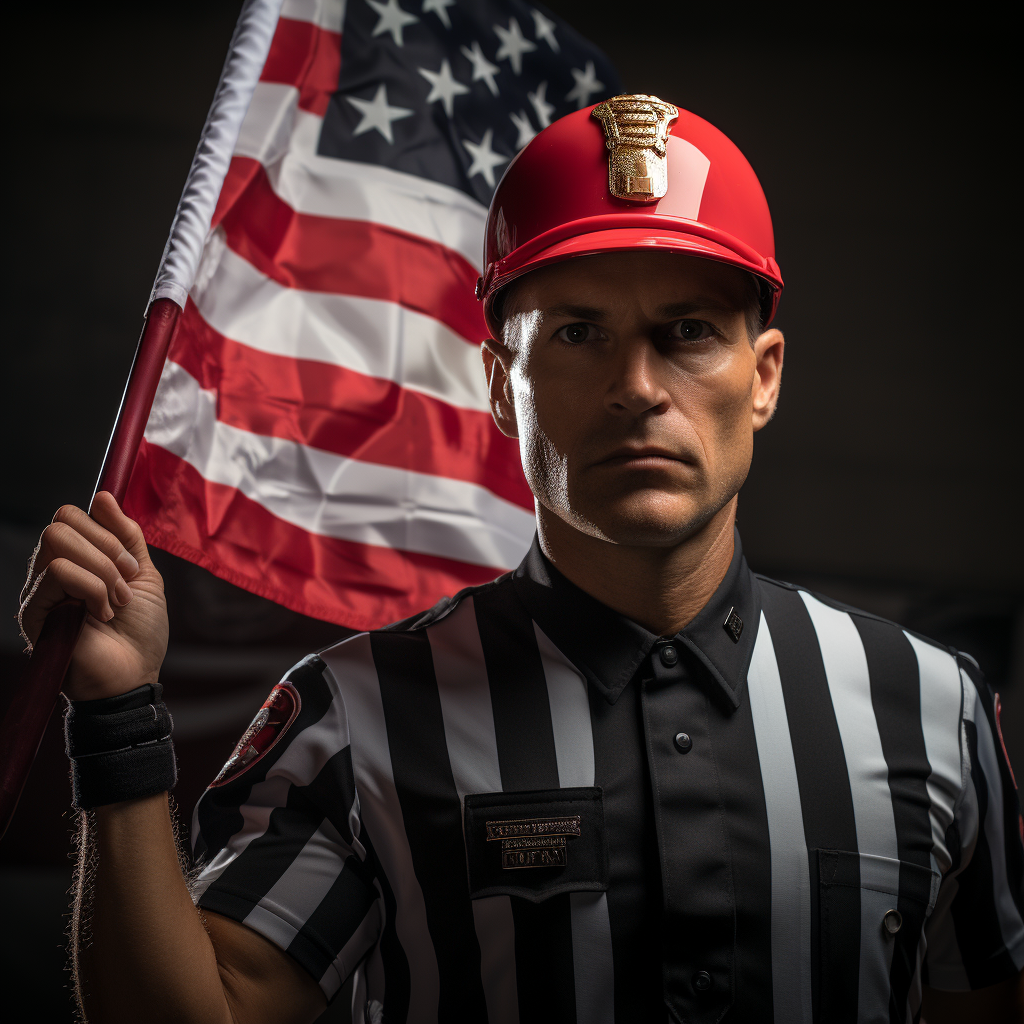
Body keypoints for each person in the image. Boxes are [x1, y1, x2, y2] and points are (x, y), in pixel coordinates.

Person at [20, 94, 1023, 1024]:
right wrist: (115, 716)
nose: (637, 385)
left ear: (762, 379)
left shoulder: (932, 707)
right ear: (502, 386)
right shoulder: (359, 717)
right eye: (580, 333)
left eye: (688, 333)